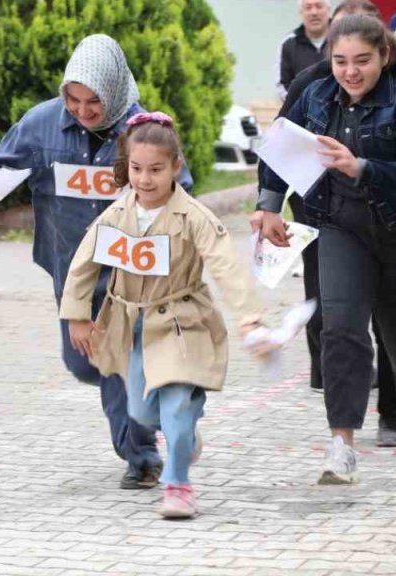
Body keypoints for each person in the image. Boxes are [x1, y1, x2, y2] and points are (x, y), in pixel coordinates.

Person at [0, 34, 191, 490]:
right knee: (84, 363)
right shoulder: (42, 124)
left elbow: (181, 186)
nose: (83, 110)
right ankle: (153, 396)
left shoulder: (142, 131)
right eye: (73, 99)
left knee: (117, 356)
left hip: (132, 270)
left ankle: (141, 455)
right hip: (73, 267)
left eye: (94, 101)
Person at [255, 14, 396, 485]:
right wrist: (268, 207)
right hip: (339, 227)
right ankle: (341, 446)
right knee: (340, 331)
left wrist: (363, 167)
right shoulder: (316, 95)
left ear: (383, 56)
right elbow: (282, 149)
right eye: (340, 61)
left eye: (362, 60)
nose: (350, 71)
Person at [62, 113, 263, 519]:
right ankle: (185, 435)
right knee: (140, 411)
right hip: (133, 326)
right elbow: (84, 263)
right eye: (136, 169)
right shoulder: (117, 214)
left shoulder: (194, 217)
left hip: (180, 323)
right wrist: (77, 316)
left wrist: (250, 318)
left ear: (176, 166)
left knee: (174, 405)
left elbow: (226, 265)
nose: (145, 179)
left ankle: (178, 485)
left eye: (156, 169)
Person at [277, 0, 331, 101]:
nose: (314, 12)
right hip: (302, 113)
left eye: (319, 6)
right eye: (308, 8)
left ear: (328, 10)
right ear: (301, 13)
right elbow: (282, 84)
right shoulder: (289, 44)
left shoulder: (342, 38)